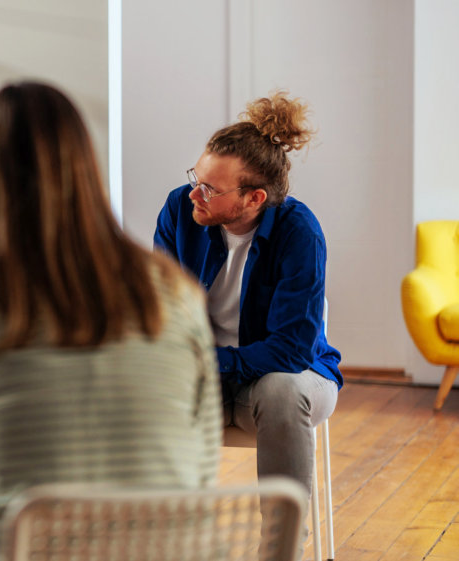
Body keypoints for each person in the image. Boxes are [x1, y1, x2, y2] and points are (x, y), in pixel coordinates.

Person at [0, 82, 221, 561]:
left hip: (18, 549)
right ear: (85, 165)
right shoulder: (175, 292)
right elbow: (202, 466)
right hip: (162, 549)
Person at [153, 91, 341, 539]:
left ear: (254, 198)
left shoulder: (300, 233)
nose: (194, 193)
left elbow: (291, 350)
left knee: (280, 389)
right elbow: (161, 313)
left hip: (292, 380)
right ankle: (159, 539)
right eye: (195, 178)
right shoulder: (181, 210)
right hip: (208, 382)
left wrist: (208, 361)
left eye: (210, 189)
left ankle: (282, 543)